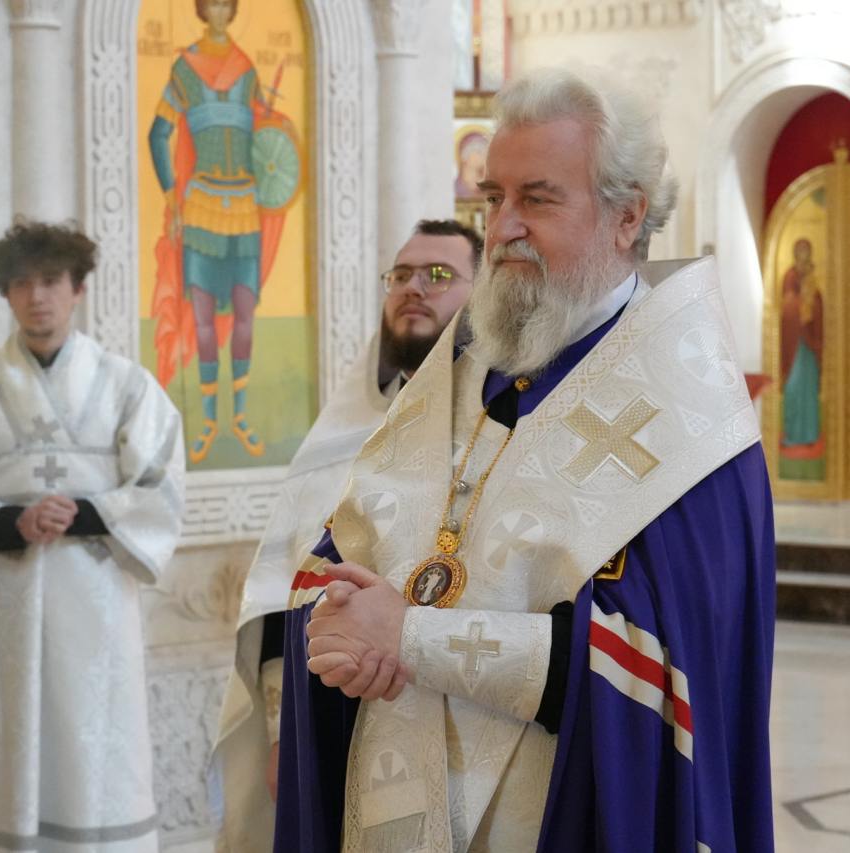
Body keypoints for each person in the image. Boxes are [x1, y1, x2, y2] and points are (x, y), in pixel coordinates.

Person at [276, 68, 776, 852]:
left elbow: (651, 671)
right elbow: (341, 549)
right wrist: (340, 629)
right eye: (493, 197)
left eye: (536, 199)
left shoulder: (690, 418)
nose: (502, 227)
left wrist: (410, 640)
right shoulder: (461, 368)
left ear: (627, 216)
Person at [0, 221, 185, 852]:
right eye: (22, 283)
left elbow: (162, 485)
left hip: (96, 599)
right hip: (4, 600)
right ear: (5, 293)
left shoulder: (126, 385)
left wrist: (81, 514)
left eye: (52, 281)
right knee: (10, 739)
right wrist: (15, 522)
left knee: (96, 743)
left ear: (78, 288)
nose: (38, 296)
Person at [209, 219, 482, 853]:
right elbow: (285, 595)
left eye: (439, 275)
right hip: (337, 713)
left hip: (464, 715)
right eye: (401, 275)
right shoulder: (342, 437)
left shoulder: (505, 430)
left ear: (484, 294)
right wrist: (281, 732)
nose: (414, 287)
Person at [149, 0, 302, 463]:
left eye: (225, 3)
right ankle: (209, 420)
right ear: (201, 9)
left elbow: (263, 135)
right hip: (201, 208)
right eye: (211, 2)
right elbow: (158, 133)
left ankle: (239, 415)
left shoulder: (245, 68)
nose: (218, 10)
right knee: (202, 320)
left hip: (246, 208)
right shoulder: (185, 69)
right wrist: (171, 194)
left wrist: (277, 128)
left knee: (243, 315)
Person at [779, 237, 822, 457]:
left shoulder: (813, 278)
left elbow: (818, 306)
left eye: (807, 250)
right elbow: (787, 306)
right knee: (794, 386)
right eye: (800, 250)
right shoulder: (790, 276)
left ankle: (809, 434)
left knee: (809, 388)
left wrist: (812, 307)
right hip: (794, 342)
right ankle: (793, 434)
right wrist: (800, 307)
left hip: (809, 344)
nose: (803, 254)